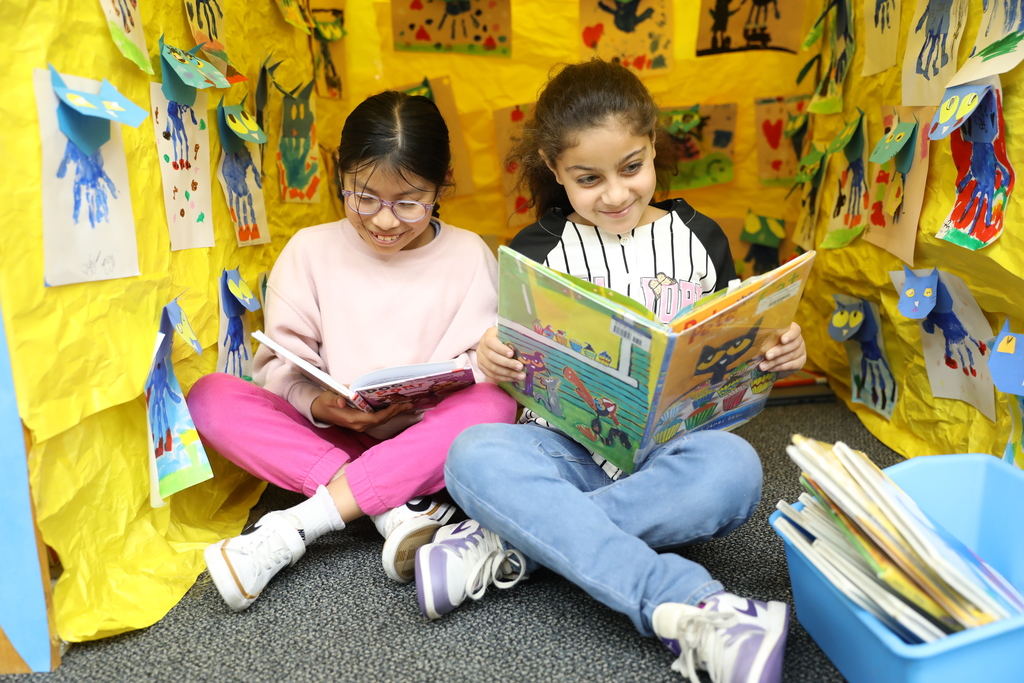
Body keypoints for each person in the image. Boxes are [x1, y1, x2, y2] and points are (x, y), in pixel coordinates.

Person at [413, 60, 806, 683]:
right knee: (472, 453)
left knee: (736, 470)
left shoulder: (699, 238)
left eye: (632, 168)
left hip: (668, 458)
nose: (617, 194)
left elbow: (731, 350)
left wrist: (777, 352)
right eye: (588, 179)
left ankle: (516, 539)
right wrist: (493, 356)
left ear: (652, 145)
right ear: (552, 166)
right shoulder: (536, 251)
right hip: (563, 450)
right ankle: (697, 607)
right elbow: (515, 360)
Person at [189, 91, 517, 612]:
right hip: (334, 435)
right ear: (340, 176)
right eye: (364, 197)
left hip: (423, 439)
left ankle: (306, 520)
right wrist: (322, 405)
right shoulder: (310, 250)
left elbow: (482, 367)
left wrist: (464, 379)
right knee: (209, 397)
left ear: (442, 185)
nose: (385, 221)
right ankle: (394, 508)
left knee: (496, 405)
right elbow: (281, 366)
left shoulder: (470, 255)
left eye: (409, 201)